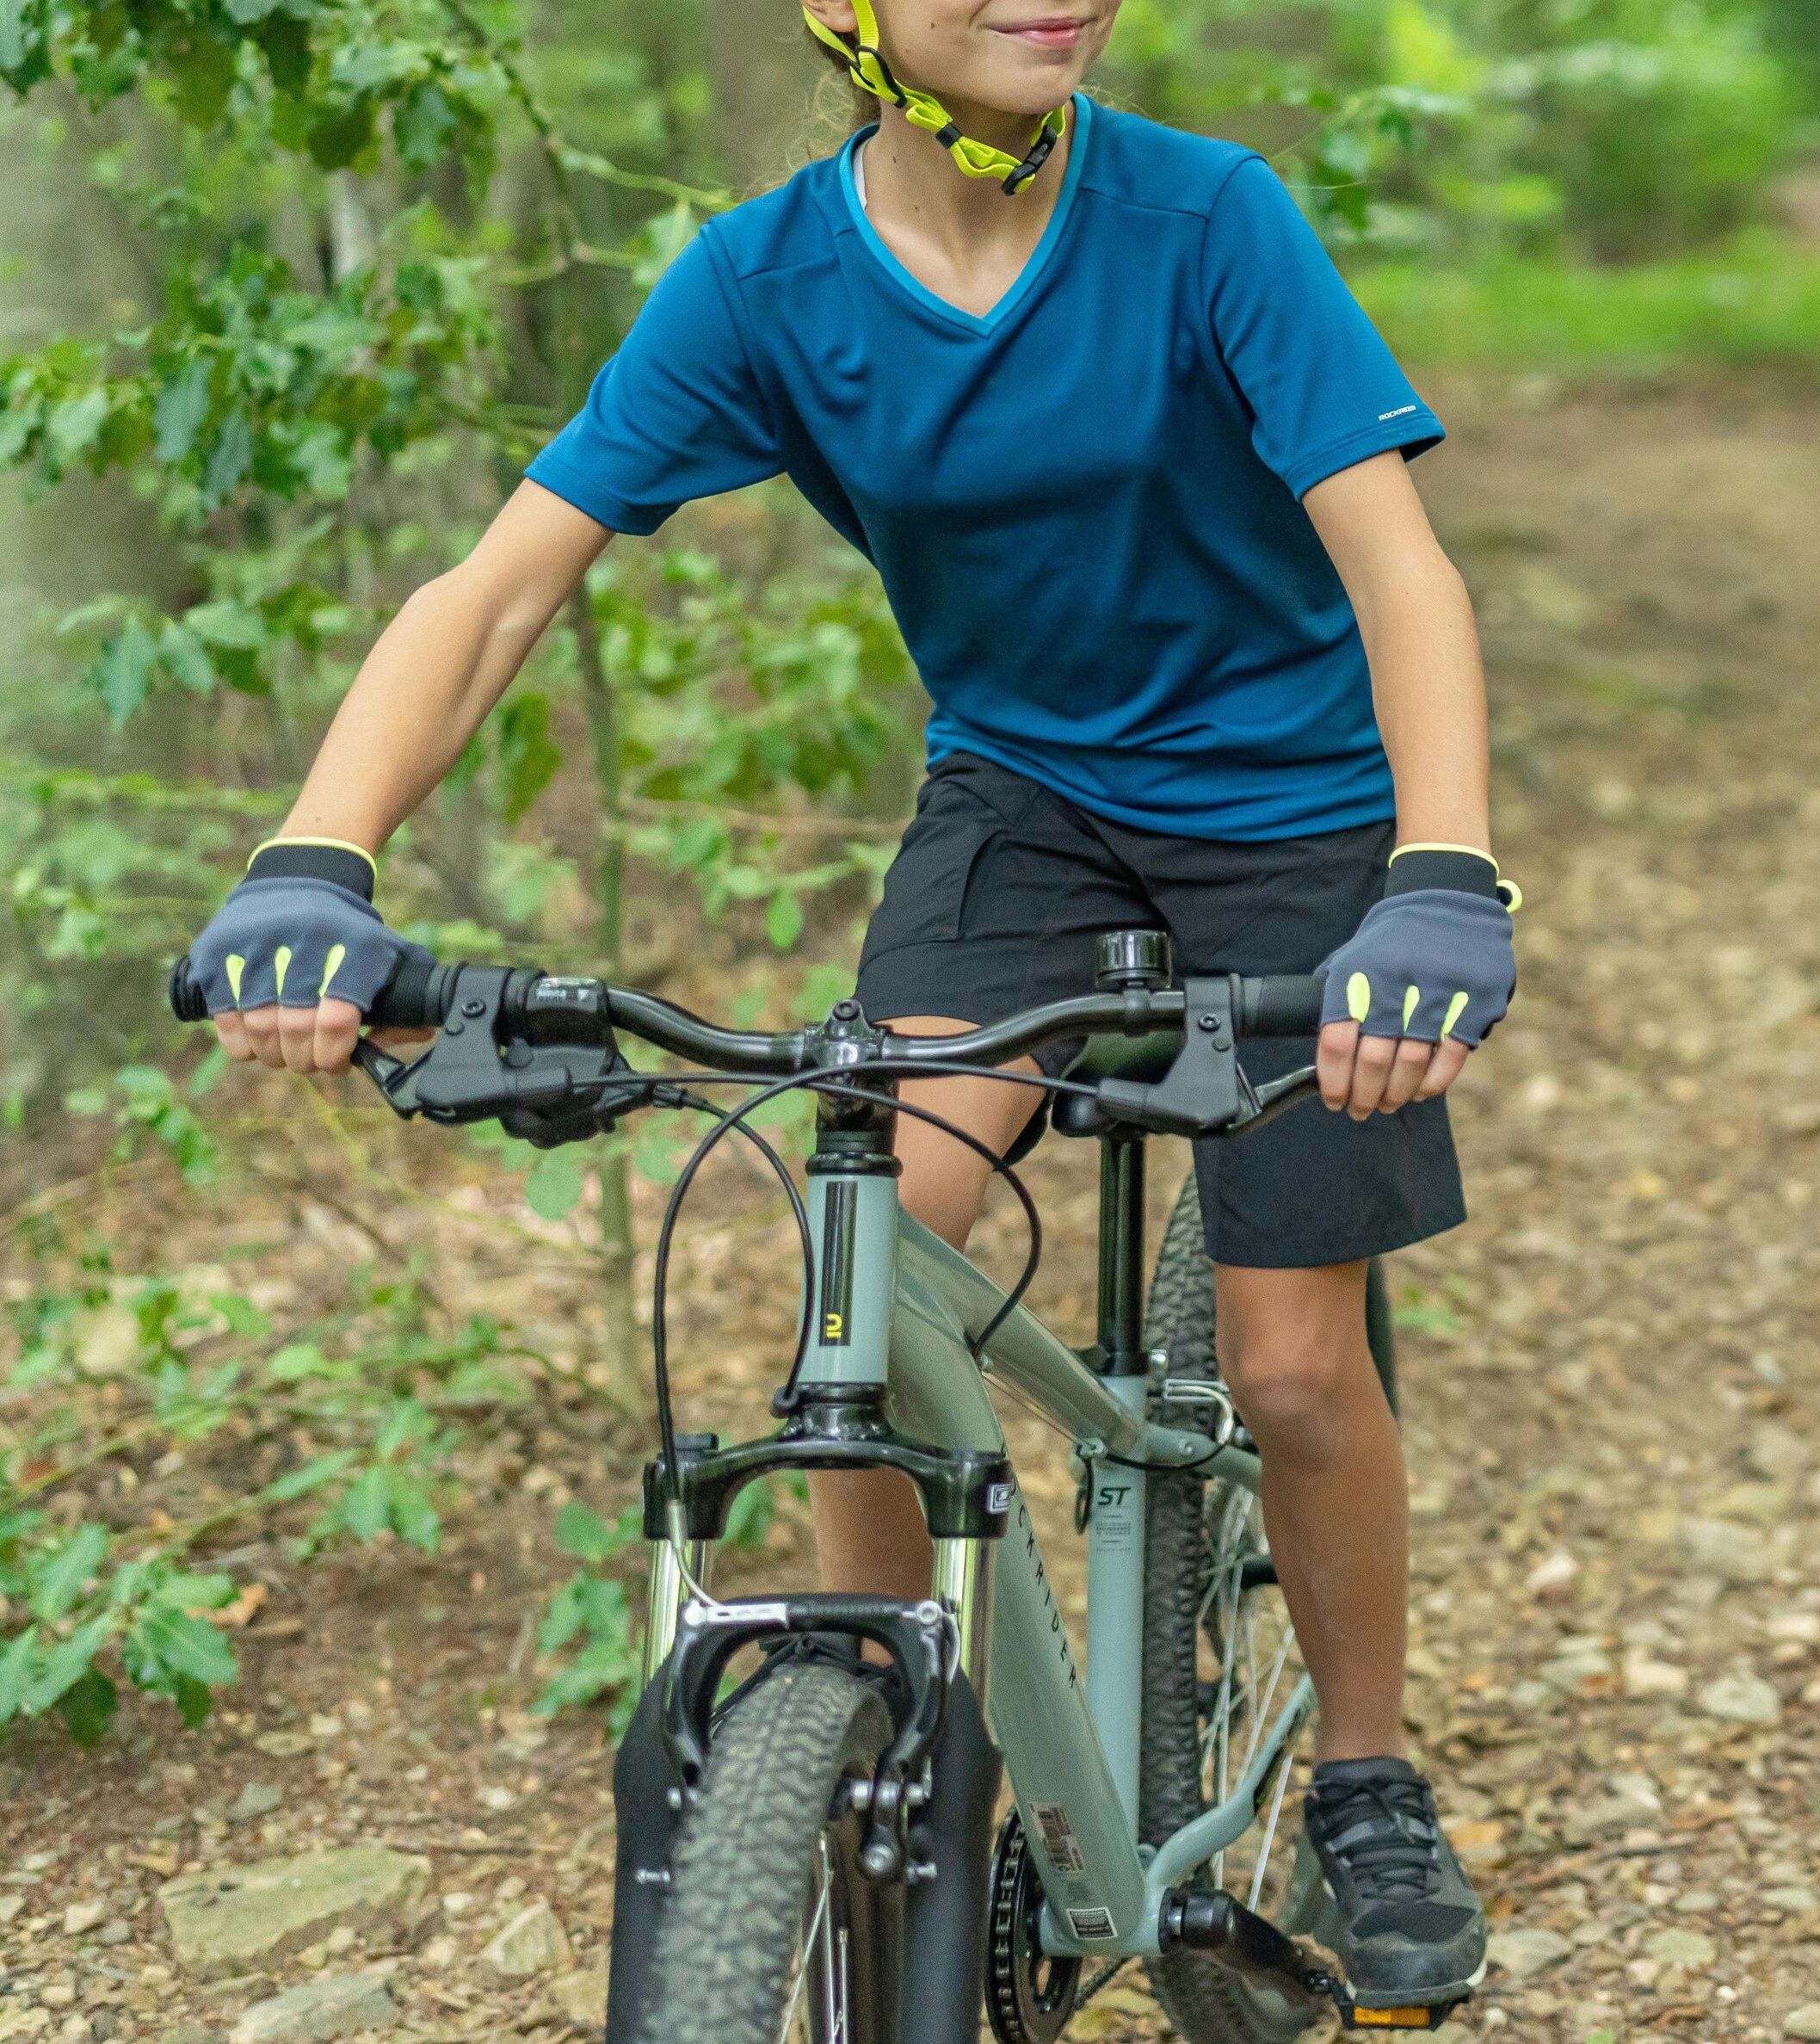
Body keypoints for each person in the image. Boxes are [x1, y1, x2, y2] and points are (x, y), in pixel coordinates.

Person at [179, 0, 1517, 2007]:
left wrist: (1440, 871)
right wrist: (316, 850)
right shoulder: (764, 281)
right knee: (865, 1252)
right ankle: (889, 1751)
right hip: (1027, 808)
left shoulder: (1208, 220)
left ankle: (1365, 1774)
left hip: (1306, 814)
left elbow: (1399, 567)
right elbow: (501, 588)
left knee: (1297, 1366)